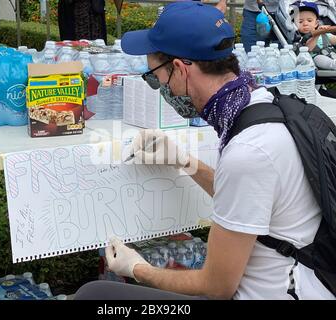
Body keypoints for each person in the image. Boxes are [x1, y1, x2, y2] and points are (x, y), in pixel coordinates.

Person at [74, 1, 335, 300]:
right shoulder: (263, 104)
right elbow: (249, 197)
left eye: (154, 77)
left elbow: (217, 286)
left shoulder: (249, 151)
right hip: (310, 279)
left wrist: (137, 268)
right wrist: (185, 162)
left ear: (180, 69)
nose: (160, 88)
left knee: (94, 296)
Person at [294, 1, 336, 70]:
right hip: (317, 59)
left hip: (331, 54)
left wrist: (325, 31)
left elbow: (334, 40)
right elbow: (309, 49)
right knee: (318, 58)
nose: (305, 24)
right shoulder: (300, 39)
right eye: (300, 21)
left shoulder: (324, 34)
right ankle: (333, 65)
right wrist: (317, 33)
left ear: (316, 23)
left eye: (309, 20)